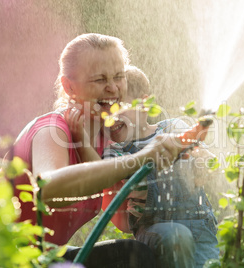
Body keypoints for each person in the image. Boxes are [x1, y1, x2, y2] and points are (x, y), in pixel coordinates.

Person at [6, 33, 184, 267]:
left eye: (119, 76)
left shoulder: (105, 140)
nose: (112, 87)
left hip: (43, 257)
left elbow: (122, 219)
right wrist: (143, 157)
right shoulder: (51, 130)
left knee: (135, 254)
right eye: (99, 79)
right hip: (1, 253)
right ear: (69, 86)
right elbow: (48, 189)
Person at [67, 65, 219, 267]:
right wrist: (83, 142)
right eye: (106, 110)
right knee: (177, 236)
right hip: (155, 229)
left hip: (200, 227)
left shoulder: (174, 128)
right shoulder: (116, 152)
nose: (111, 117)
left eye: (119, 106)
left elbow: (204, 158)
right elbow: (97, 174)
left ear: (145, 104)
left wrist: (203, 164)